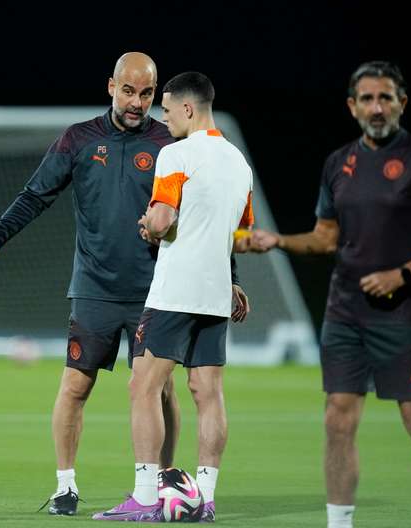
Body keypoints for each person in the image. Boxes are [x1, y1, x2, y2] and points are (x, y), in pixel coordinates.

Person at [0, 53, 244, 515]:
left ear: (157, 94)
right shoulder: (78, 139)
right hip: (93, 287)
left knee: (161, 390)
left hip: (157, 290)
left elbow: (209, 216)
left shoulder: (170, 142)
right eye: (129, 91)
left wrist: (230, 278)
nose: (137, 102)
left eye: (147, 94)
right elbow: (36, 194)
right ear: (111, 86)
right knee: (75, 385)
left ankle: (161, 487)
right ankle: (66, 486)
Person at [246, 61, 411, 528]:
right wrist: (279, 240)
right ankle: (339, 523)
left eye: (385, 97)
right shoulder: (337, 163)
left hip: (402, 316)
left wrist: (401, 275)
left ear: (401, 104)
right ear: (352, 107)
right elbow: (325, 238)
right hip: (345, 313)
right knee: (338, 421)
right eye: (366, 99)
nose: (376, 107)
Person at [94, 72, 253, 523]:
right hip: (217, 291)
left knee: (142, 386)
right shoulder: (239, 162)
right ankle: (204, 497)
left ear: (187, 108)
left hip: (175, 289)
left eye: (165, 108)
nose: (162, 117)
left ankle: (146, 498)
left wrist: (149, 224)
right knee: (208, 392)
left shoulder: (176, 153)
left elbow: (162, 221)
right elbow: (238, 234)